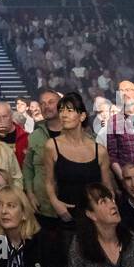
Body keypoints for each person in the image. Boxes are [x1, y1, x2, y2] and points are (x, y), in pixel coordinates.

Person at [42, 92, 115, 223]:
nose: (63, 115)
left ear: (82, 116)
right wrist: (55, 203)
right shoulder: (52, 146)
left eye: (69, 110)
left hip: (96, 218)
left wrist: (110, 210)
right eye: (61, 111)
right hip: (67, 216)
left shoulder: (99, 151)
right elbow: (49, 181)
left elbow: (107, 187)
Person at [22, 88, 62, 226]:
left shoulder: (73, 133)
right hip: (42, 208)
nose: (46, 106)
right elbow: (27, 169)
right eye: (43, 103)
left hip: (70, 206)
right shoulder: (34, 136)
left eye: (51, 102)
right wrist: (30, 194)